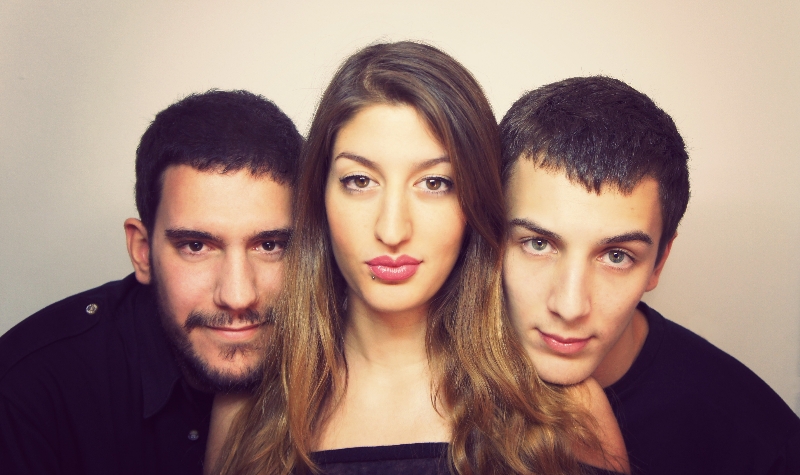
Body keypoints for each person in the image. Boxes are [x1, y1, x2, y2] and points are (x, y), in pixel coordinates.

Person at [213, 42, 627, 475]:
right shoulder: (246, 409)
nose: (392, 230)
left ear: (474, 202)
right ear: (320, 197)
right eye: (360, 181)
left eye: (434, 183)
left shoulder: (566, 410)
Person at [500, 76, 800, 474]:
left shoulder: (763, 443)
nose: (569, 307)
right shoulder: (426, 383)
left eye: (617, 256)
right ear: (490, 237)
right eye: (538, 244)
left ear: (658, 263)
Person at [0, 90, 303, 475]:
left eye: (270, 245)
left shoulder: (349, 363)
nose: (238, 295)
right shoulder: (26, 391)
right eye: (196, 246)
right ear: (143, 252)